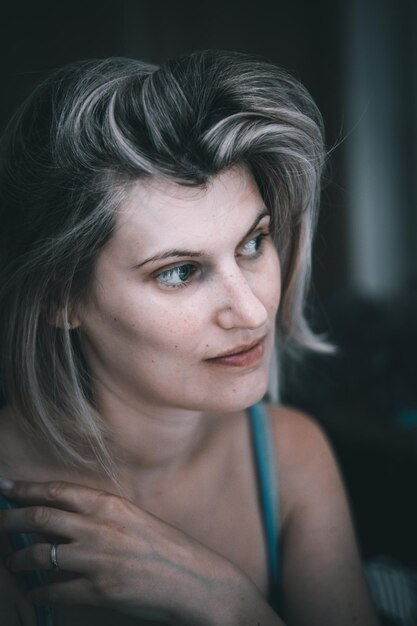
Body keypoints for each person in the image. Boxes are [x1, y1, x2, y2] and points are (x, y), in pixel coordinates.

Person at [0, 50, 379, 626]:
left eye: (253, 243)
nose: (252, 310)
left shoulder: (290, 456)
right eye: (179, 271)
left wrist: (226, 600)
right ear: (60, 298)